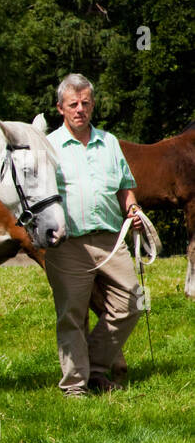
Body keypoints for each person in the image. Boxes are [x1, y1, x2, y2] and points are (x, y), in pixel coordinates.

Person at [43, 73, 143, 396]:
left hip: (111, 239)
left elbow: (126, 187)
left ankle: (96, 369)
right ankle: (74, 385)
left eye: (85, 103)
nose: (80, 109)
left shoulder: (109, 142)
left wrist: (133, 209)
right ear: (60, 108)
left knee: (131, 301)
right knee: (72, 313)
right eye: (73, 104)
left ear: (93, 105)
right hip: (68, 243)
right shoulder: (48, 147)